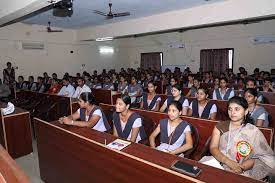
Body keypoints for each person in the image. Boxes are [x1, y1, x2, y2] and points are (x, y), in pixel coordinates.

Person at [209, 96, 275, 180]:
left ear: (246, 111)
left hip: (243, 169)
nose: (232, 112)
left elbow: (260, 157)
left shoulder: (253, 131)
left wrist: (241, 167)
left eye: (237, 109)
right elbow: (213, 148)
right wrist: (228, 162)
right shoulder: (220, 126)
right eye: (230, 109)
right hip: (219, 163)